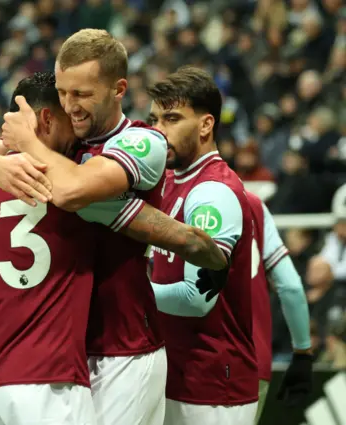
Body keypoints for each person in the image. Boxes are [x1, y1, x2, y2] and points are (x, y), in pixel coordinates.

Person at [0, 31, 228, 424]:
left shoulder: (141, 141)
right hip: (59, 354)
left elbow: (73, 191)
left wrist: (25, 145)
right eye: (63, 92)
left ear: (118, 89)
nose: (70, 106)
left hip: (122, 350)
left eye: (82, 94)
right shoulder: (60, 146)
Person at [147, 66, 258, 425]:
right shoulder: (167, 181)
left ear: (206, 125)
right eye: (155, 120)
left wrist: (132, 294)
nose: (158, 131)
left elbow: (197, 299)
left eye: (172, 119)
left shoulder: (213, 191)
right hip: (176, 376)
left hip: (213, 387)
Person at [244, 191, 312, 424]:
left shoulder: (162, 193)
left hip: (182, 356)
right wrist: (302, 352)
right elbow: (291, 286)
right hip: (251, 359)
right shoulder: (252, 204)